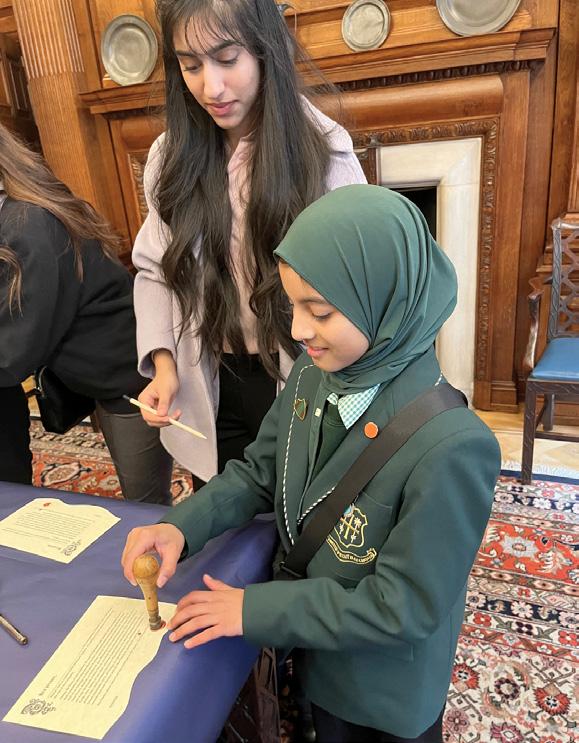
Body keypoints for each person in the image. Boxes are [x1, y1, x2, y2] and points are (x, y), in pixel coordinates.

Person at [122, 185, 501, 742]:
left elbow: (403, 606)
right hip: (314, 657)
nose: (298, 330)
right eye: (293, 305)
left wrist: (253, 610)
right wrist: (182, 525)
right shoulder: (312, 373)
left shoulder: (453, 446)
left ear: (384, 304)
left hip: (380, 694)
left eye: (319, 311)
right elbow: (260, 471)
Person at [133, 0, 366, 487]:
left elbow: (361, 289)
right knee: (219, 505)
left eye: (227, 59)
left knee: (295, 511)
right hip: (209, 377)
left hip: (300, 377)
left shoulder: (323, 153)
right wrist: (164, 366)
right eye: (191, 66)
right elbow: (155, 271)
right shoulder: (169, 156)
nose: (211, 88)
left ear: (265, 49)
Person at [0, 123, 173, 505]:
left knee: (144, 506)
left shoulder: (27, 224)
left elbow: (13, 353)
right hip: (92, 374)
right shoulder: (19, 207)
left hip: (129, 376)